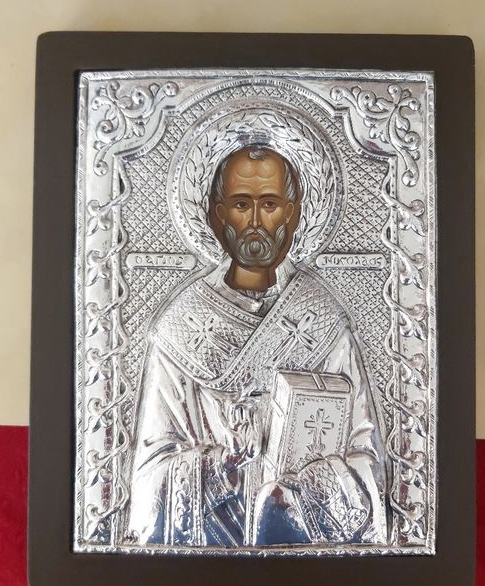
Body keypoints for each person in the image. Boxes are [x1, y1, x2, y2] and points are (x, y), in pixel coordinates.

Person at [127, 146, 386, 547]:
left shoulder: (324, 322)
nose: (254, 222)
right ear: (217, 215)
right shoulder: (181, 327)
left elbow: (364, 456)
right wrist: (221, 469)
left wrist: (311, 486)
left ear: (293, 214)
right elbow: (149, 482)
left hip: (303, 536)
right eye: (240, 205)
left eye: (269, 205)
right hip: (211, 540)